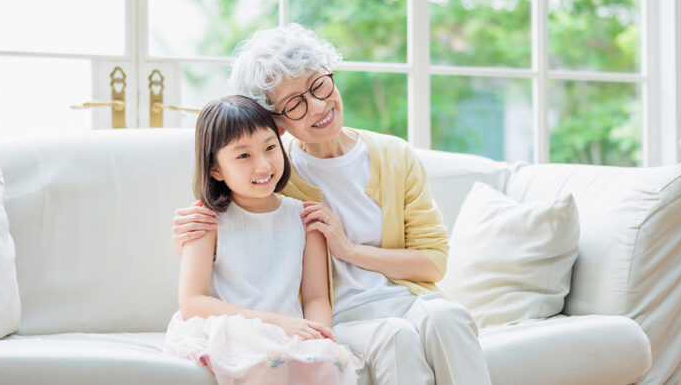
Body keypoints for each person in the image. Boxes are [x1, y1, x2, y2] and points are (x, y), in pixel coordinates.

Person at [172, 24, 492, 385]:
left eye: (319, 84)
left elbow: (433, 263)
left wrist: (350, 250)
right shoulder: (274, 174)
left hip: (407, 298)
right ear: (275, 122)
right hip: (343, 316)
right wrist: (188, 238)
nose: (319, 106)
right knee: (395, 336)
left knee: (449, 317)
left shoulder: (394, 156)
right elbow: (239, 225)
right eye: (295, 103)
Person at [163, 95, 362, 385]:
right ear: (214, 168)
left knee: (326, 360)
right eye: (243, 155)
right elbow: (192, 303)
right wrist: (275, 323)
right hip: (231, 330)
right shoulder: (206, 220)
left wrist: (316, 337)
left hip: (289, 333)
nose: (263, 165)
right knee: (267, 360)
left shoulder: (305, 220)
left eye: (270, 147)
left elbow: (316, 297)